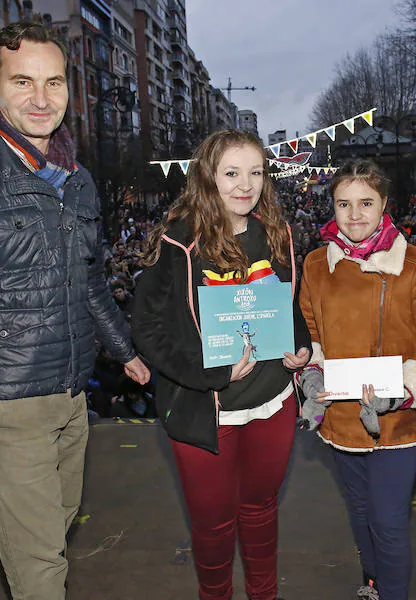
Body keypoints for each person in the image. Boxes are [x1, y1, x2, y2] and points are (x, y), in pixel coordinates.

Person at [0, 21, 149, 600]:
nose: (41, 99)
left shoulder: (77, 181)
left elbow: (88, 281)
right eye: (23, 81)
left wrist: (125, 351)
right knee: (41, 567)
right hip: (4, 410)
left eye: (54, 82)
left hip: (70, 396)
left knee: (49, 538)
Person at [131, 129, 311, 600]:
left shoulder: (278, 232)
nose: (244, 185)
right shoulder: (177, 242)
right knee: (213, 523)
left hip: (273, 403)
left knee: (261, 509)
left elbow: (290, 308)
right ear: (208, 176)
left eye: (255, 172)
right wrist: (210, 374)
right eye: (231, 173)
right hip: (204, 410)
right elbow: (148, 330)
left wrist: (303, 347)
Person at [297, 159, 416, 600]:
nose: (354, 215)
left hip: (398, 422)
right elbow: (308, 333)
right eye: (344, 203)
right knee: (360, 511)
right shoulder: (315, 266)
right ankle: (372, 583)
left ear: (384, 204)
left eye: (365, 203)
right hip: (342, 419)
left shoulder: (414, 264)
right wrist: (311, 375)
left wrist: (402, 390)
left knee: (388, 522)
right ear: (331, 206)